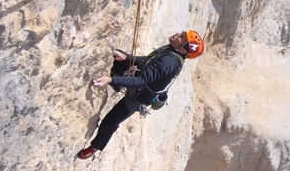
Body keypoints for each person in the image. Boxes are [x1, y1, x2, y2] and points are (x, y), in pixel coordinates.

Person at [77, 30, 204, 159]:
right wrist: (127, 58)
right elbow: (148, 60)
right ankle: (118, 84)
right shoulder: (170, 51)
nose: (177, 34)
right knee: (121, 58)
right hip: (140, 87)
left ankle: (94, 148)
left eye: (181, 37)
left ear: (183, 50)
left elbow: (141, 80)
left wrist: (110, 80)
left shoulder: (169, 62)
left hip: (138, 98)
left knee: (109, 122)